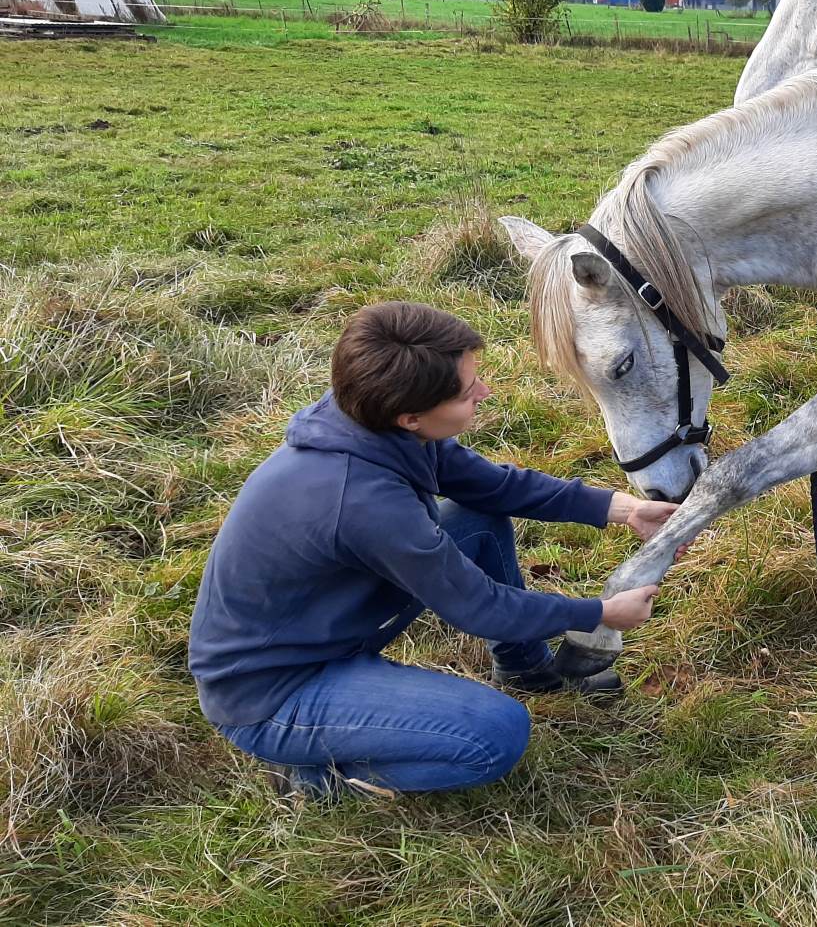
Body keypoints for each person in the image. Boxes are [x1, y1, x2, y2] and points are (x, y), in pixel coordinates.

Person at [188, 301, 674, 799]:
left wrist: (620, 508)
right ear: (412, 417)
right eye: (468, 393)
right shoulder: (365, 500)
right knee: (494, 736)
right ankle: (314, 778)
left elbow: (492, 488)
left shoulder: (369, 422)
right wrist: (600, 613)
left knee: (479, 519)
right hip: (273, 693)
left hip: (320, 627)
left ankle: (527, 668)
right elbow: (481, 606)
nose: (485, 392)